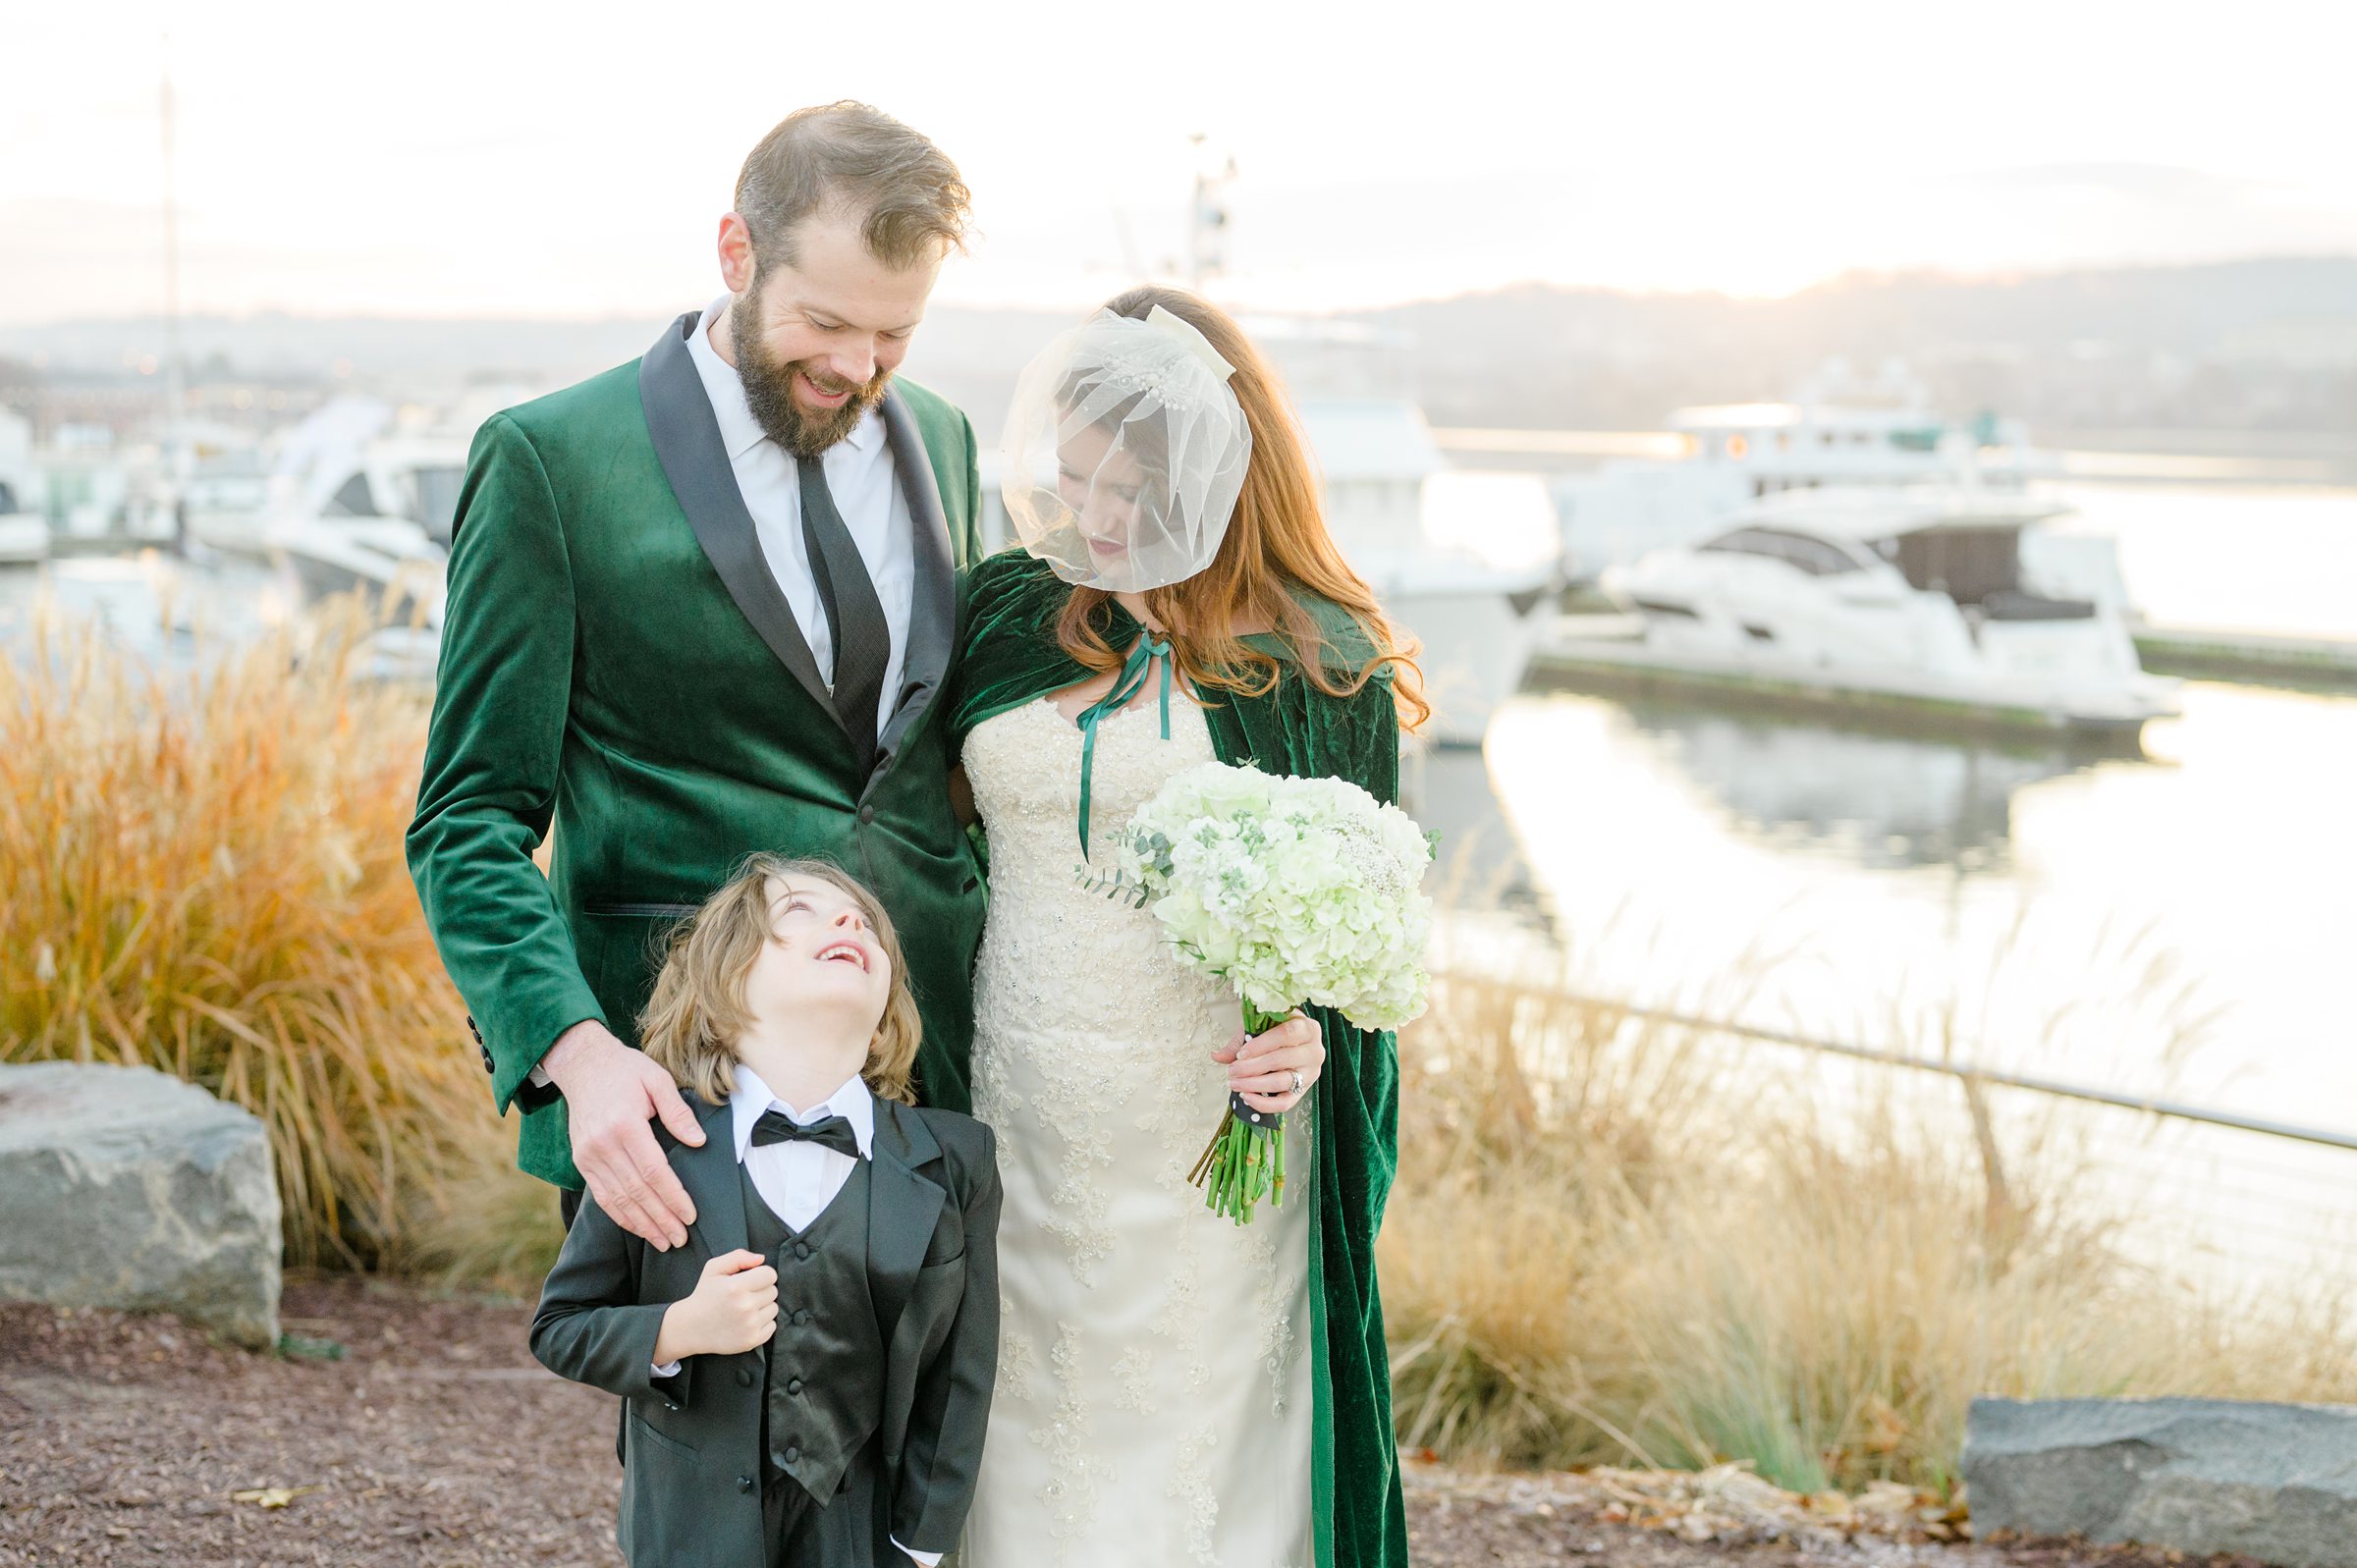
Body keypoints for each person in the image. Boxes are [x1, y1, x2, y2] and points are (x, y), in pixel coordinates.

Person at [406, 102, 988, 1245]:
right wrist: (576, 1055)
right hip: (683, 1090)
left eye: (895, 337)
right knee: (705, 1426)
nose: (857, 366)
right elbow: (466, 818)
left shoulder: (952, 441)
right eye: (824, 321)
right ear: (737, 252)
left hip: (933, 1083)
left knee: (945, 1428)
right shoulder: (551, 461)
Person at [949, 287, 1430, 1568]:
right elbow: (926, 844)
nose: (1093, 518)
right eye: (1074, 479)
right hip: (1016, 1104)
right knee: (1008, 1429)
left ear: (1222, 468)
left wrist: (1312, 1044)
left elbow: (1364, 945)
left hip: (1212, 1133)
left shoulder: (1320, 663)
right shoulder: (1005, 612)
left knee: (1186, 1444)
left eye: (1128, 488)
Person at [531, 856, 1000, 1568]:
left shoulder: (956, 1159)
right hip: (690, 1533)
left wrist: (920, 1543)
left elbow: (961, 1374)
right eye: (799, 911)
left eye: (865, 922)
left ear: (883, 1020)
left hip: (861, 1536)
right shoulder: (653, 1140)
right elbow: (561, 1326)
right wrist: (679, 1327)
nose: (848, 919)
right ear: (724, 987)